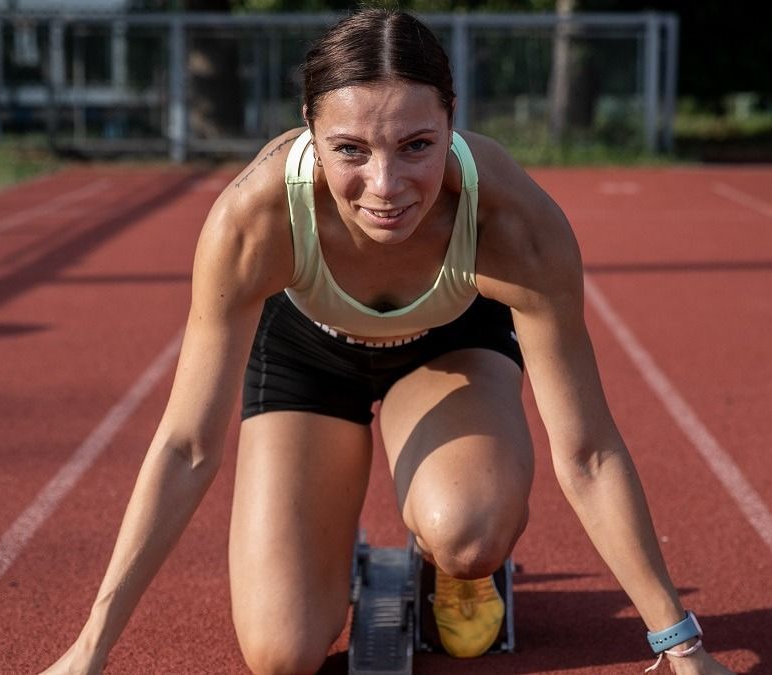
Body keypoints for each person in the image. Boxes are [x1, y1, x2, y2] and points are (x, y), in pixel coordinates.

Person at [41, 9, 734, 675]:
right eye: (350, 149)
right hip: (304, 356)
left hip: (449, 347)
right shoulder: (254, 222)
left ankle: (453, 573)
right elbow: (187, 445)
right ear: (308, 131)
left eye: (416, 146)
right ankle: (329, 547)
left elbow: (586, 450)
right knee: (282, 655)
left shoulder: (512, 223)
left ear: (451, 121)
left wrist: (681, 645)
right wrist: (91, 648)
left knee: (466, 531)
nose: (386, 186)